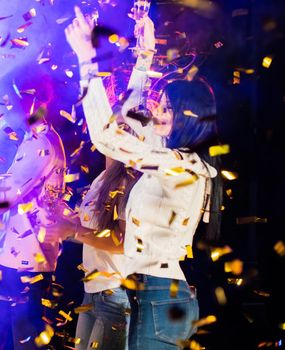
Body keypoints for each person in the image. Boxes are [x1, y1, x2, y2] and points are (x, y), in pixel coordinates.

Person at [65, 6, 222, 349]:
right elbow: (129, 118)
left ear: (189, 117)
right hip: (149, 293)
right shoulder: (171, 159)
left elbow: (108, 136)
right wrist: (145, 52)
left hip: (160, 295)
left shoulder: (181, 165)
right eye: (160, 106)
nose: (157, 114)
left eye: (166, 108)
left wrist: (87, 62)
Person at [0, 65, 66, 349]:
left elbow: (0, 200)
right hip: (20, 260)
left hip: (24, 266)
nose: (7, 109)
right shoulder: (36, 139)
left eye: (11, 101)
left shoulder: (39, 143)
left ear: (33, 101)